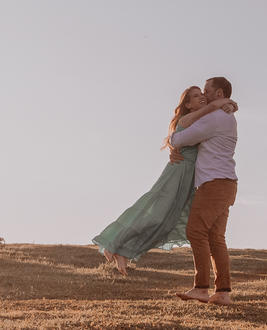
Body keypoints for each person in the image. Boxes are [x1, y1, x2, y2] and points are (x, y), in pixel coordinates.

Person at [93, 85, 238, 275]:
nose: (202, 97)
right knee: (156, 211)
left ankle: (126, 251)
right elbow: (193, 125)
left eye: (202, 94)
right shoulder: (187, 119)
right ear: (187, 104)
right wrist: (228, 102)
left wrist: (229, 105)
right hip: (178, 172)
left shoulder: (205, 119)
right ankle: (114, 243)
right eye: (196, 96)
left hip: (191, 176)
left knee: (168, 222)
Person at [168, 76, 239, 306]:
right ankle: (222, 292)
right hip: (227, 183)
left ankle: (201, 288)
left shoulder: (216, 118)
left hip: (214, 183)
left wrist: (172, 142)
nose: (203, 96)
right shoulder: (223, 115)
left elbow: (180, 138)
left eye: (207, 91)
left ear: (218, 94)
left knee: (196, 231)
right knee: (216, 238)